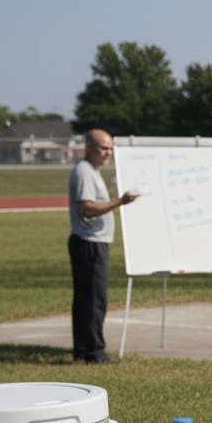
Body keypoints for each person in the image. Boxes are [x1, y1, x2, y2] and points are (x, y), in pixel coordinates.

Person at [68, 129, 138, 364]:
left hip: (92, 242)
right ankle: (93, 352)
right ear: (89, 147)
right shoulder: (84, 172)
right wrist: (120, 201)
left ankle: (83, 348)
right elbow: (87, 207)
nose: (108, 153)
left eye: (110, 149)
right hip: (90, 243)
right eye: (103, 148)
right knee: (93, 300)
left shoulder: (91, 171)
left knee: (87, 298)